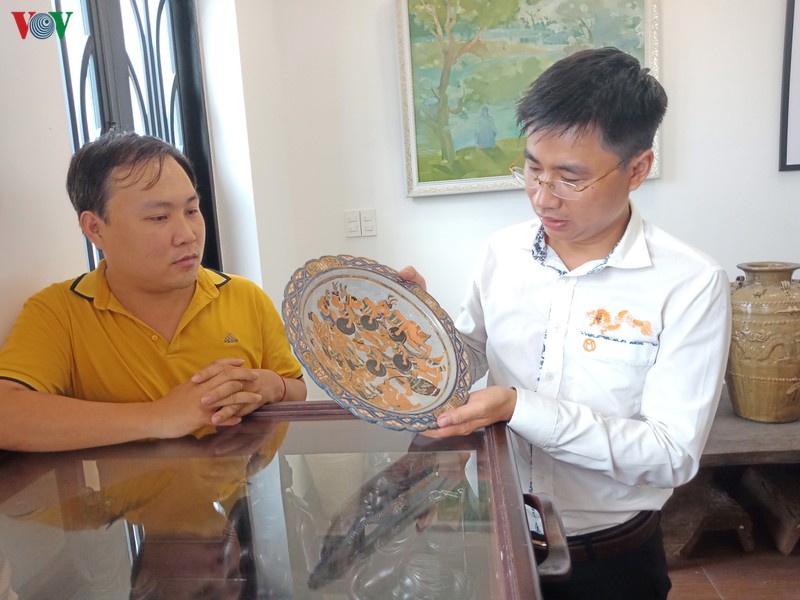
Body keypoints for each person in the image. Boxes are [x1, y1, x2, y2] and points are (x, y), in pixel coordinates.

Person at [399, 47, 731, 599]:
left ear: (637, 169)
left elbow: (670, 455)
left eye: (569, 179)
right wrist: (417, 326)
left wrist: (518, 407)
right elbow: (470, 354)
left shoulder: (689, 283)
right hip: (498, 532)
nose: (541, 196)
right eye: (533, 168)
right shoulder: (501, 252)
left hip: (611, 560)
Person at [0, 130, 306, 452]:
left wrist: (272, 386)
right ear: (95, 228)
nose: (187, 235)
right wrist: (160, 416)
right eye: (159, 217)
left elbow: (296, 390)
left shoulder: (245, 297)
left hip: (243, 483)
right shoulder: (60, 311)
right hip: (124, 486)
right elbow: (7, 415)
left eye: (191, 211)